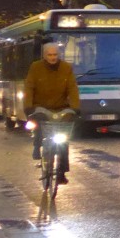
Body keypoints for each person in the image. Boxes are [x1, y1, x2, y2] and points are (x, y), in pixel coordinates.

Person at [23, 42, 80, 182]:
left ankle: (61, 172)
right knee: (38, 121)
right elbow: (29, 88)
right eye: (50, 55)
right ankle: (37, 145)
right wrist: (28, 107)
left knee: (63, 139)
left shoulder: (66, 68)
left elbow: (72, 89)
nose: (53, 57)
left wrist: (75, 108)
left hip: (60, 107)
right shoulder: (35, 67)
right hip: (40, 106)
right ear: (44, 56)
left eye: (55, 54)